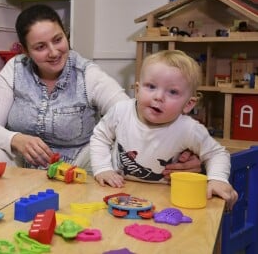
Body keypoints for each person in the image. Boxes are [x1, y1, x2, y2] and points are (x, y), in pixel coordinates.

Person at [0, 4, 202, 175]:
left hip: (78, 166)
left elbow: (127, 113)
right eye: (40, 47)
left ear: (66, 35)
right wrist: (16, 140)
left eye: (58, 39)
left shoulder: (87, 74)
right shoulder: (14, 68)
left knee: (117, 160)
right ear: (25, 51)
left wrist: (176, 147)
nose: (53, 52)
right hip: (20, 164)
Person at [90, 50, 238, 209]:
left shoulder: (188, 129)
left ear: (188, 104)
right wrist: (103, 169)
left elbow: (217, 153)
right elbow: (100, 137)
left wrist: (217, 179)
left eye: (172, 92)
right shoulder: (121, 111)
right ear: (138, 90)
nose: (159, 96)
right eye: (151, 86)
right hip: (118, 190)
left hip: (167, 197)